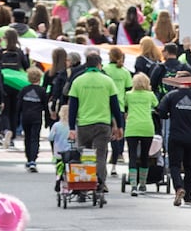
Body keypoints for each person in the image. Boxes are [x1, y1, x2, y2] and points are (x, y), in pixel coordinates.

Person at [67, 49, 123, 195]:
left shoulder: (78, 81)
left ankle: (84, 184)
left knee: (85, 155)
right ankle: (100, 183)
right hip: (103, 124)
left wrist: (71, 127)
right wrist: (120, 126)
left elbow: (72, 107)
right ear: (99, 65)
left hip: (84, 124)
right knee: (100, 155)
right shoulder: (107, 81)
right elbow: (115, 106)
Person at [157, 73, 191, 207]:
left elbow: (161, 112)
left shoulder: (171, 96)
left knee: (174, 165)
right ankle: (188, 197)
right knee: (189, 166)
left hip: (175, 136)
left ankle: (179, 188)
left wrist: (171, 113)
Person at [124, 72, 158, 195]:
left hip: (132, 127)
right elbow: (157, 105)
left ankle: (133, 185)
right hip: (146, 127)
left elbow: (124, 107)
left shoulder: (128, 95)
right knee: (145, 156)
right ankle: (142, 184)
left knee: (132, 156)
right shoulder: (150, 95)